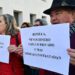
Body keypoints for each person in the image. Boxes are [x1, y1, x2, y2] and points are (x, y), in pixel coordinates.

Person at [39, 0, 75, 75]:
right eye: (51, 16)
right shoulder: (48, 36)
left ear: (73, 14)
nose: (53, 19)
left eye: (58, 13)